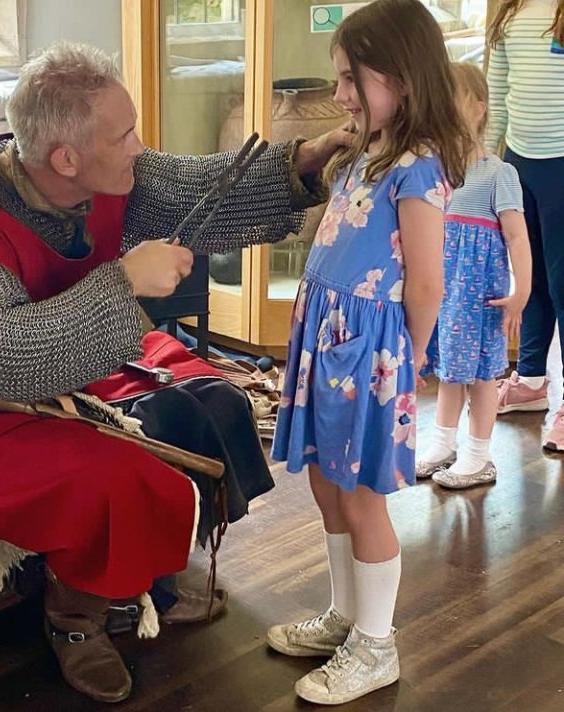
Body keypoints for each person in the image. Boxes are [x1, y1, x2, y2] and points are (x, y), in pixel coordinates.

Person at [0, 42, 353, 704]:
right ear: (66, 157)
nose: (140, 147)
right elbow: (5, 358)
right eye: (126, 135)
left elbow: (198, 183)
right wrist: (124, 284)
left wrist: (306, 161)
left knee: (214, 400)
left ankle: (144, 577)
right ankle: (77, 623)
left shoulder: (99, 174)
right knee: (118, 475)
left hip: (71, 363)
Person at [267, 0, 470, 705]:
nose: (341, 94)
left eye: (353, 78)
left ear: (404, 78)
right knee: (327, 483)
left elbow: (426, 281)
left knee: (360, 497)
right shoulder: (368, 148)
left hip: (371, 355)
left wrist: (405, 359)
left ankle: (376, 644)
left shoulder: (418, 167)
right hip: (331, 339)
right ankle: (346, 616)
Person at [417, 62, 531, 490]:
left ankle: (479, 456)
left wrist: (523, 292)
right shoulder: (435, 170)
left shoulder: (499, 173)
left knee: (482, 375)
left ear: (480, 108)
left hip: (480, 295)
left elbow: (518, 237)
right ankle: (443, 444)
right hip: (445, 293)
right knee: (449, 369)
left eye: (453, 98)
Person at [487, 0, 564, 452]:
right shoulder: (510, 12)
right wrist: (478, 163)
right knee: (530, 277)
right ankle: (532, 377)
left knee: (563, 283)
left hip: (562, 166)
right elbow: (495, 97)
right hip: (519, 162)